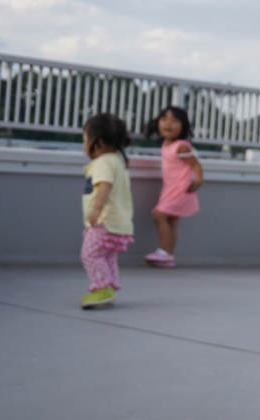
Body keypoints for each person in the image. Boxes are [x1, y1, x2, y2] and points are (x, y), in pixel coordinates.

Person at [80, 113, 134, 309]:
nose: (84, 145)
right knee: (107, 255)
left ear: (98, 142)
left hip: (104, 221)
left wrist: (96, 210)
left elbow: (104, 185)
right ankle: (108, 287)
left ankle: (101, 288)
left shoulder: (103, 163)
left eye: (85, 139)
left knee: (90, 254)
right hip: (120, 223)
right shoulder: (117, 160)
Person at [144, 106, 203, 268]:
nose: (168, 124)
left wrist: (198, 180)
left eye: (174, 120)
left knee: (159, 215)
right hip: (170, 188)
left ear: (183, 125)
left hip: (181, 188)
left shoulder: (181, 146)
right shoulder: (166, 143)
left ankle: (164, 251)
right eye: (164, 119)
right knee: (171, 221)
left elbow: (196, 165)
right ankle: (168, 256)